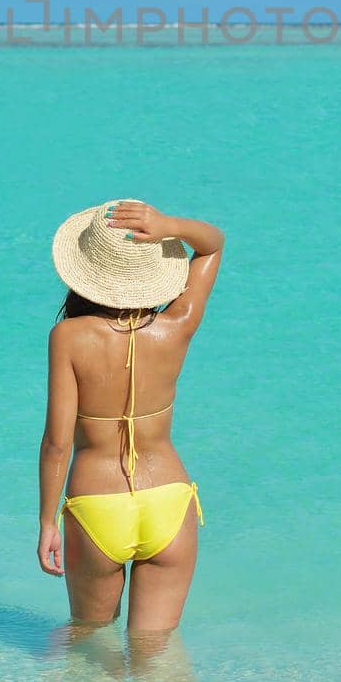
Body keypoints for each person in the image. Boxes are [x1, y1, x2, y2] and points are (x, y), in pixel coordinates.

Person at [38, 198, 224, 632]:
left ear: (86, 275)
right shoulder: (177, 325)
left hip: (97, 504)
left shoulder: (67, 337)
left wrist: (47, 521)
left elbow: (57, 443)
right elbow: (213, 246)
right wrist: (168, 225)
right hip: (168, 500)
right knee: (154, 657)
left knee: (88, 643)